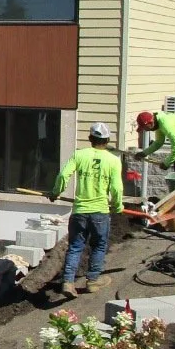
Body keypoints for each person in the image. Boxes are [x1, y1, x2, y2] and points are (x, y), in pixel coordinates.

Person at [48, 122, 124, 298]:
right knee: (98, 245)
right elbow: (117, 188)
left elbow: (63, 175)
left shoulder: (80, 155)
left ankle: (68, 282)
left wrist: (56, 192)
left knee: (75, 247)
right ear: (107, 140)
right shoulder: (113, 160)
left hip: (80, 211)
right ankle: (92, 281)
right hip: (100, 211)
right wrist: (118, 206)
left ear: (90, 139)